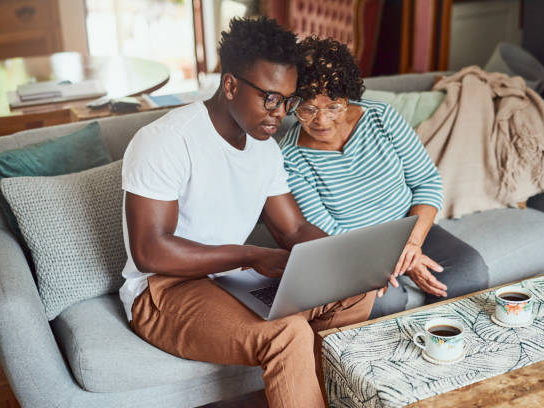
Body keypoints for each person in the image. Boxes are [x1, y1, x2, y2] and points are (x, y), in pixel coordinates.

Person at [119, 18, 375, 408]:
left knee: (357, 289)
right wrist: (251, 255)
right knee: (286, 332)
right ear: (230, 85)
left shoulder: (264, 150)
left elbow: (293, 230)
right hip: (163, 292)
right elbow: (150, 251)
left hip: (231, 281)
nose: (279, 113)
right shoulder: (166, 141)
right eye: (270, 98)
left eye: (287, 101)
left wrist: (346, 260)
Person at [279, 37, 489, 318]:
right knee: (382, 304)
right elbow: (325, 230)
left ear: (348, 95)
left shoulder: (382, 118)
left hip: (408, 229)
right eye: (307, 108)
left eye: (333, 106)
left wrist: (412, 245)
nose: (321, 120)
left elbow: (426, 181)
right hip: (354, 251)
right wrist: (395, 260)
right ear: (293, 103)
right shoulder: (291, 157)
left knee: (468, 272)